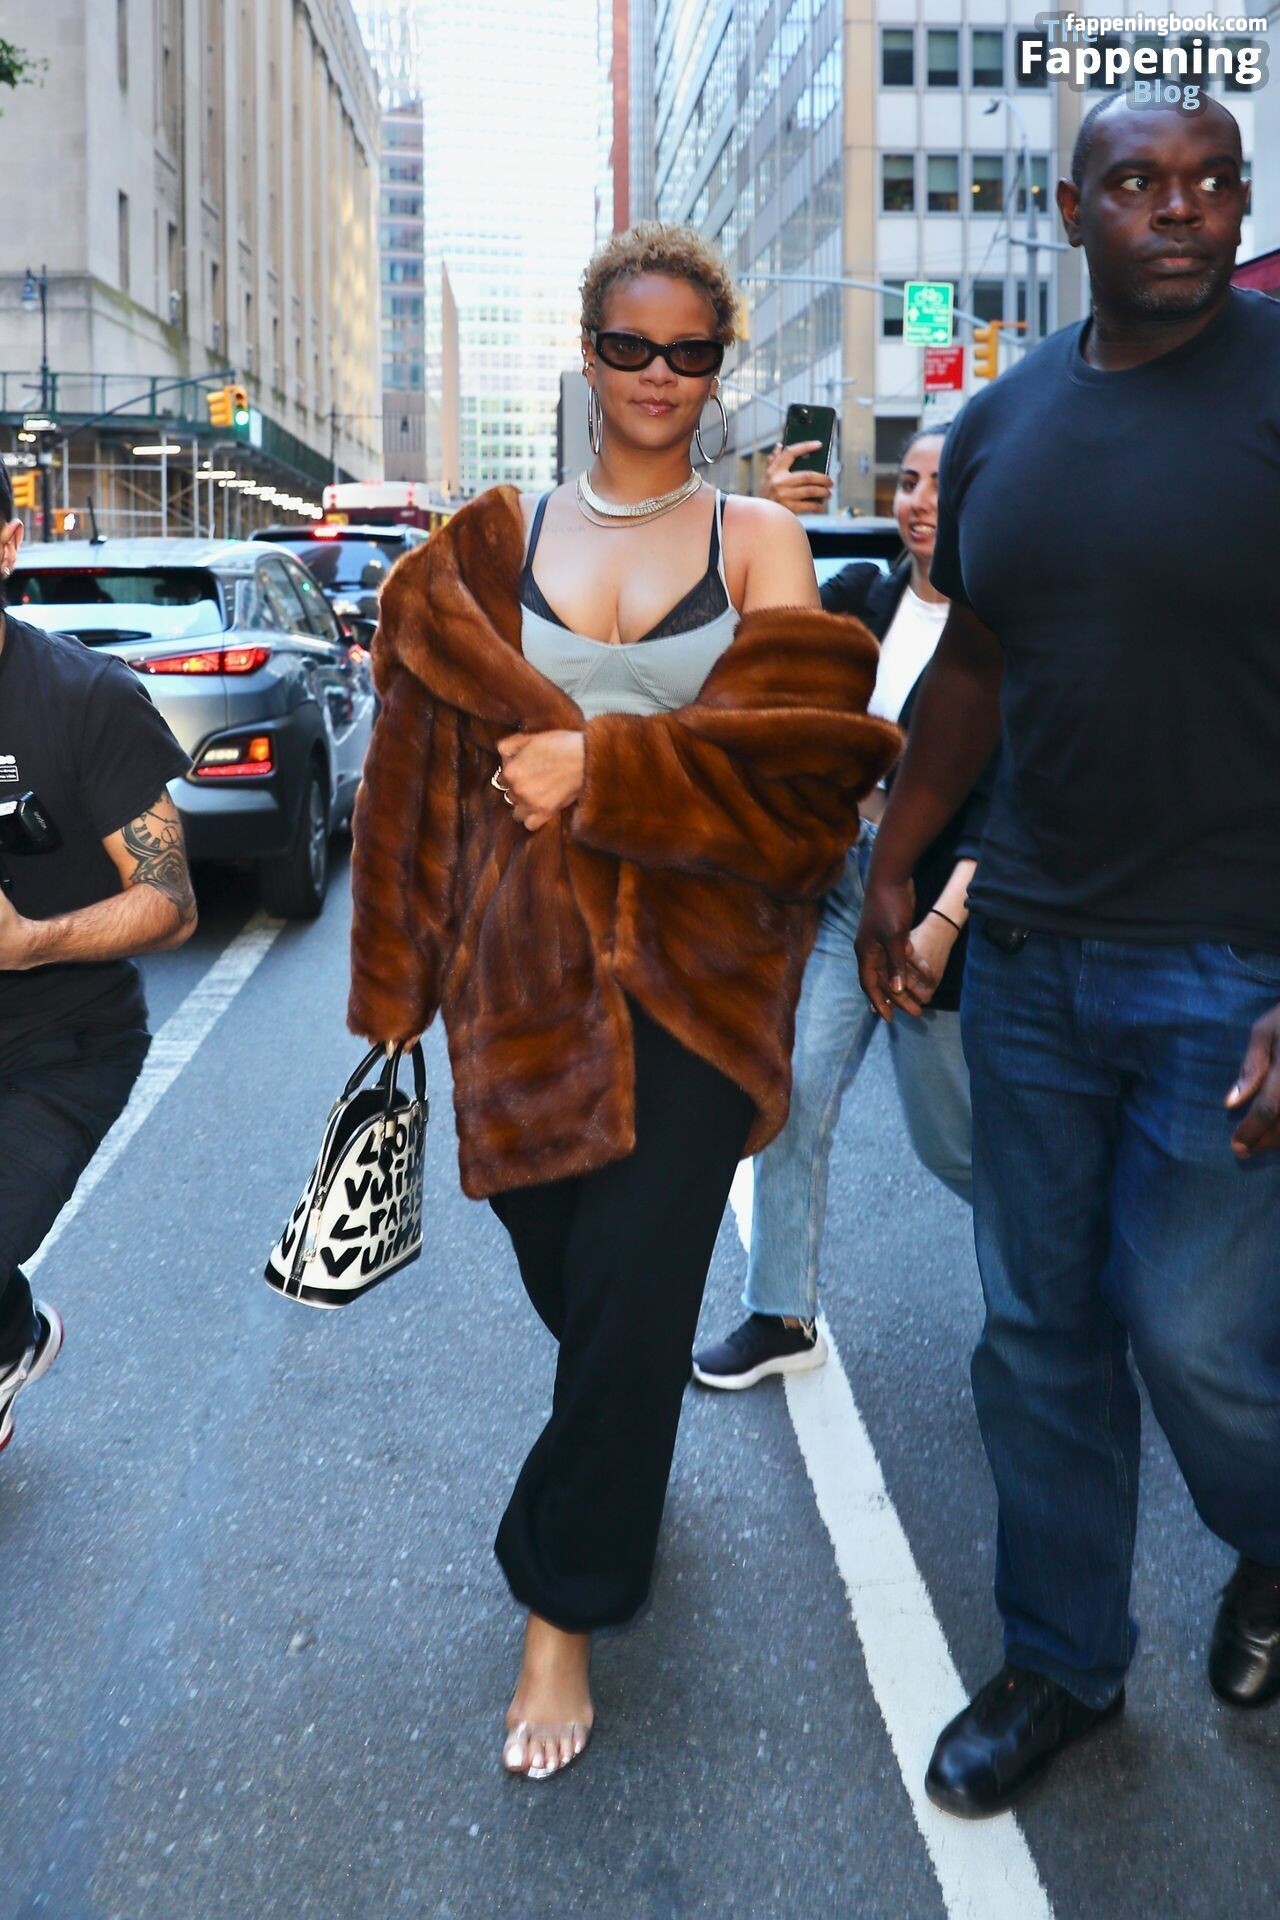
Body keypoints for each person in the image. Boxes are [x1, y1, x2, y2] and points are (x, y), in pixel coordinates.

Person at [346, 223, 900, 1781]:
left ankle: (562, 1612)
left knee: (640, 1290)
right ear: (586, 356)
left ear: (720, 372)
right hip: (513, 987)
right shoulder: (486, 541)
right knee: (583, 1292)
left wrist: (608, 767)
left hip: (698, 982)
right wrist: (394, 991)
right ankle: (620, 1441)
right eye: (630, 346)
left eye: (691, 353)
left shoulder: (758, 543)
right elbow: (408, 787)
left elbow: (803, 790)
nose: (660, 375)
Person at [856, 93, 1280, 1819]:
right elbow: (974, 662)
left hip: (1231, 964)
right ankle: (1060, 1662)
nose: (1181, 210)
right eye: (1140, 184)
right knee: (1037, 1336)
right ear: (1071, 209)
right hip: (1030, 949)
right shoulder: (1005, 422)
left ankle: (1269, 1540)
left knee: (1195, 1335)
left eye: (1211, 184)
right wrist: (897, 863)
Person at [693, 425, 988, 1389]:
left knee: (955, 1146)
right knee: (790, 1097)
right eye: (908, 482)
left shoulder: (1002, 632)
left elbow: (1014, 797)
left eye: (944, 483)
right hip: (842, 891)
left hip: (938, 913)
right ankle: (782, 1316)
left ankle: (1073, 1282)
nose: (921, 501)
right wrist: (768, 518)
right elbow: (754, 655)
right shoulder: (865, 597)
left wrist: (944, 923)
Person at [0, 468, 197, 1452]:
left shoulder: (87, 698)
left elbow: (171, 903)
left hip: (63, 1046)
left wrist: (30, 942)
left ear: (6, 546)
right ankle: (11, 1337)